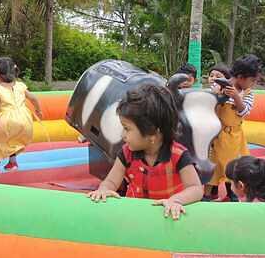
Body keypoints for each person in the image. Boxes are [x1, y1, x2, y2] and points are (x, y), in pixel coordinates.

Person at [86, 84, 203, 220]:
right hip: (136, 215)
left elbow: (195, 188)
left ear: (152, 133)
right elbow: (111, 181)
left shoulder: (178, 156)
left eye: (127, 129)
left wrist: (176, 200)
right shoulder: (126, 154)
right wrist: (104, 190)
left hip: (166, 216)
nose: (123, 135)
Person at [207, 55, 261, 200]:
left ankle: (232, 193)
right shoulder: (219, 87)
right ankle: (208, 194)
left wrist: (236, 97)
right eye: (252, 80)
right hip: (217, 136)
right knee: (214, 165)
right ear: (241, 77)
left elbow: (244, 112)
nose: (253, 84)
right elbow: (209, 106)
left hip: (234, 137)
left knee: (232, 166)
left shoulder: (247, 93)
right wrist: (217, 94)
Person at [0, 57, 42, 176]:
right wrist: (38, 110)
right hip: (24, 119)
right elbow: (34, 98)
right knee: (12, 140)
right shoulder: (21, 85)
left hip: (6, 120)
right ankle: (12, 162)